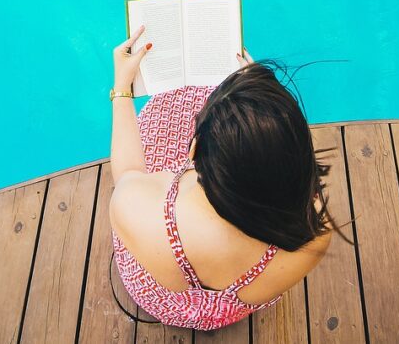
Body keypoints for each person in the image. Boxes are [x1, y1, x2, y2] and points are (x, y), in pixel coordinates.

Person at [107, 25, 345, 331]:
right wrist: (264, 107)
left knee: (162, 115)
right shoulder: (313, 233)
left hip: (163, 288)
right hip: (242, 297)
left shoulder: (144, 216)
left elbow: (127, 174)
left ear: (192, 150)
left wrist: (122, 90)